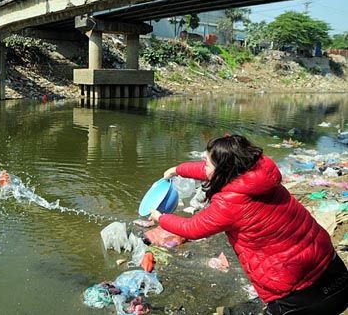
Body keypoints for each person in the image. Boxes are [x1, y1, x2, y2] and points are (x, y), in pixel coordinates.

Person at [149, 134, 348, 315]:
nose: (204, 166)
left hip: (297, 290)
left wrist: (160, 218)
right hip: (332, 268)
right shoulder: (259, 172)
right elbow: (213, 171)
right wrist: (177, 170)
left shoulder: (231, 202)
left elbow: (191, 229)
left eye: (207, 163)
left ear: (223, 169)